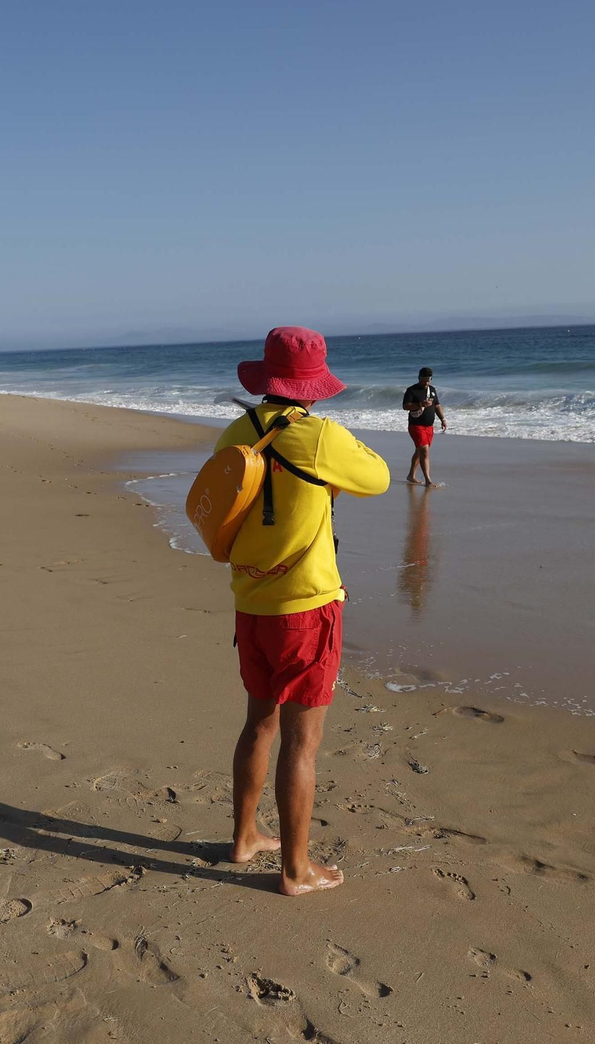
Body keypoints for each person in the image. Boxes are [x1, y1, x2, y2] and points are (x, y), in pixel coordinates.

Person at [216, 326, 390, 896]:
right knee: (302, 742)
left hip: (252, 603)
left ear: (267, 380)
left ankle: (245, 839)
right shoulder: (319, 436)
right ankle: (296, 870)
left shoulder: (237, 430)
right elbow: (380, 478)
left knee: (257, 724)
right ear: (312, 386)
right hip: (308, 608)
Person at [402, 367, 446, 486]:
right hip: (416, 425)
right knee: (424, 451)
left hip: (429, 427)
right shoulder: (411, 390)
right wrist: (420, 404)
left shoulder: (432, 390)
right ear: (419, 378)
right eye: (424, 380)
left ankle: (411, 475)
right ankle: (428, 480)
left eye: (428, 380)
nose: (426, 382)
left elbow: (437, 405)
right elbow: (405, 406)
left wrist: (443, 419)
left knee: (419, 451)